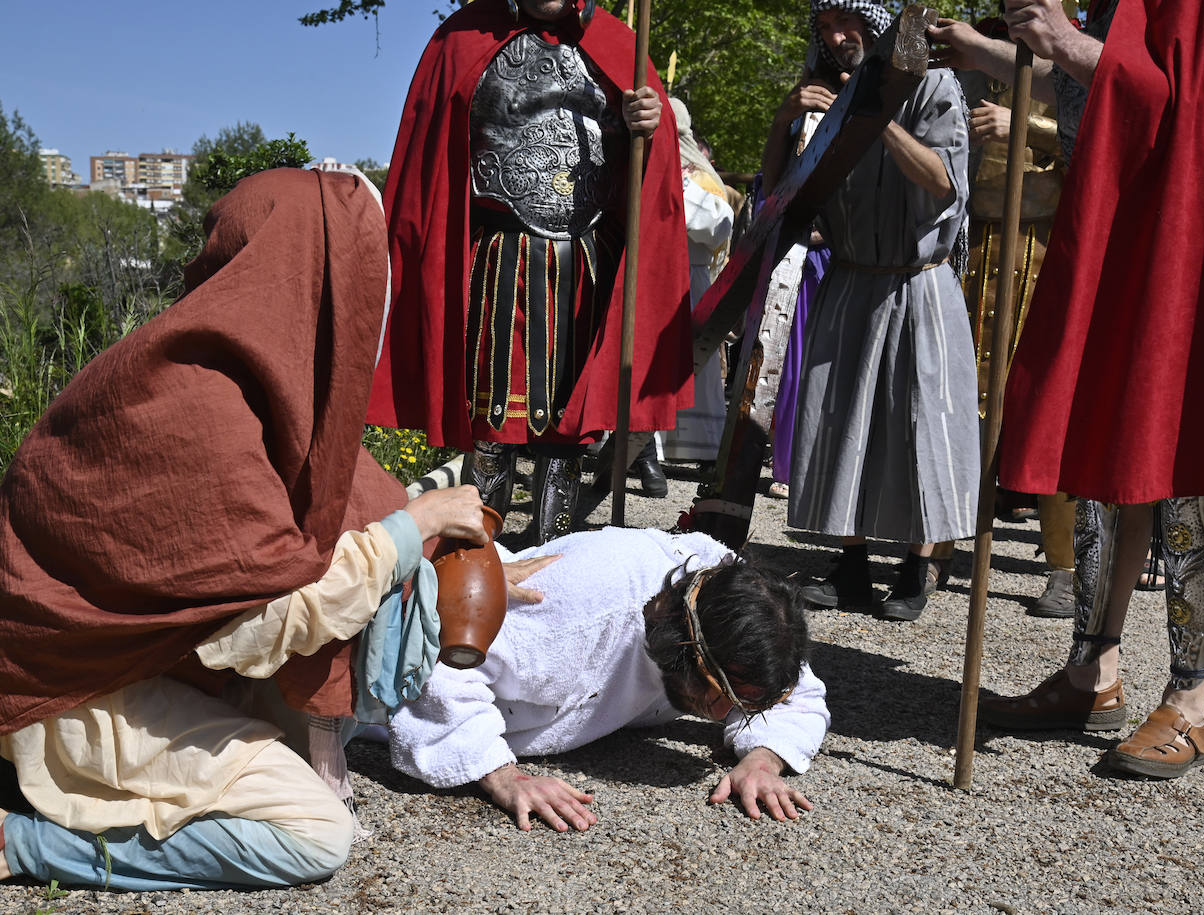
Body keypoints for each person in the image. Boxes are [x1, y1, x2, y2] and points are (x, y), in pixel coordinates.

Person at [0, 169, 497, 890]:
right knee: (314, 834)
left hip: (87, 655)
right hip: (66, 695)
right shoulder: (204, 411)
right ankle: (25, 844)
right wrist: (409, 530)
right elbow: (253, 627)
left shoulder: (188, 369)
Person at [930, 0, 1204, 778]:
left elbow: (1185, 104)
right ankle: (1092, 671)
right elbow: (1101, 95)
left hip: (1198, 229)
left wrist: (1068, 43)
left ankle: (1191, 697)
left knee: (1199, 466)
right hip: (1132, 219)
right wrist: (993, 52)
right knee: (1110, 442)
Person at [368, 0, 694, 544]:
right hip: (500, 256)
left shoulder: (619, 45)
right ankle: (475, 549)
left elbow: (644, 174)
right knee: (493, 417)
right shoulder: (464, 37)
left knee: (565, 424)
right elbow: (433, 153)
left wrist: (647, 126)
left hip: (583, 258)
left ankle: (558, 547)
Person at [389, 527, 828, 831]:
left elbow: (797, 692)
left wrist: (764, 758)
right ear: (681, 648)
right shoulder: (574, 612)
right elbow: (442, 660)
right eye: (722, 697)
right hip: (383, 668)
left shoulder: (735, 598)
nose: (728, 717)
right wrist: (502, 775)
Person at [766, 0, 980, 622]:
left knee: (922, 423)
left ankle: (918, 566)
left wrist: (870, 118)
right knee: (839, 422)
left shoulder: (932, 84)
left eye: (848, 20)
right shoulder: (819, 90)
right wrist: (788, 117)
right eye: (826, 24)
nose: (837, 36)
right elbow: (775, 196)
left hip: (918, 281)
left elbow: (944, 181)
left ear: (877, 20)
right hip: (852, 277)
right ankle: (850, 566)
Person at [951, 9, 1076, 616]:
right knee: (961, 397)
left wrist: (1021, 122)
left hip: (1048, 243)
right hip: (975, 239)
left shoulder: (1075, 44)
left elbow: (1098, 127)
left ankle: (1067, 565)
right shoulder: (981, 41)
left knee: (1047, 403)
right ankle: (943, 540)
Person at [658, 97, 735, 485]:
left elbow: (717, 227)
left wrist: (680, 185)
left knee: (696, 372)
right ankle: (646, 455)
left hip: (690, 280)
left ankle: (701, 450)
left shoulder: (701, 179)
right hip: (656, 281)